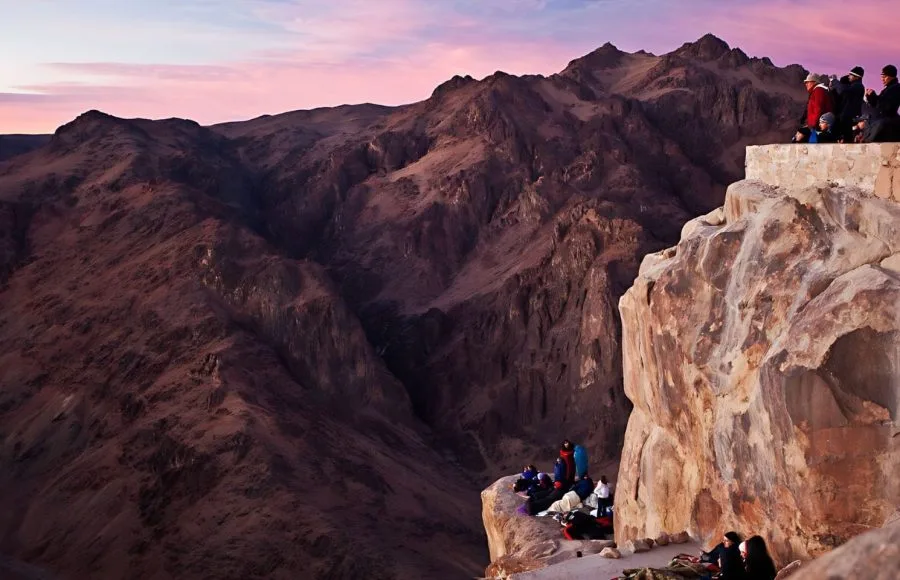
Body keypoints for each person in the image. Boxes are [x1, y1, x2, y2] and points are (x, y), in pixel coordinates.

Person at [862, 65, 900, 142]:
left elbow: (887, 106)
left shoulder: (896, 88)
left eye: (884, 77)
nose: (882, 79)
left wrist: (874, 97)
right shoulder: (888, 89)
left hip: (889, 120)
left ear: (891, 76)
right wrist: (871, 97)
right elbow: (877, 104)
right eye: (882, 77)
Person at [833, 67, 865, 141]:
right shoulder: (852, 86)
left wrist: (835, 81)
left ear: (856, 77)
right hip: (845, 117)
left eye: (851, 75)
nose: (848, 76)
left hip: (849, 118)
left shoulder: (858, 86)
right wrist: (842, 81)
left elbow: (842, 90)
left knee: (848, 139)